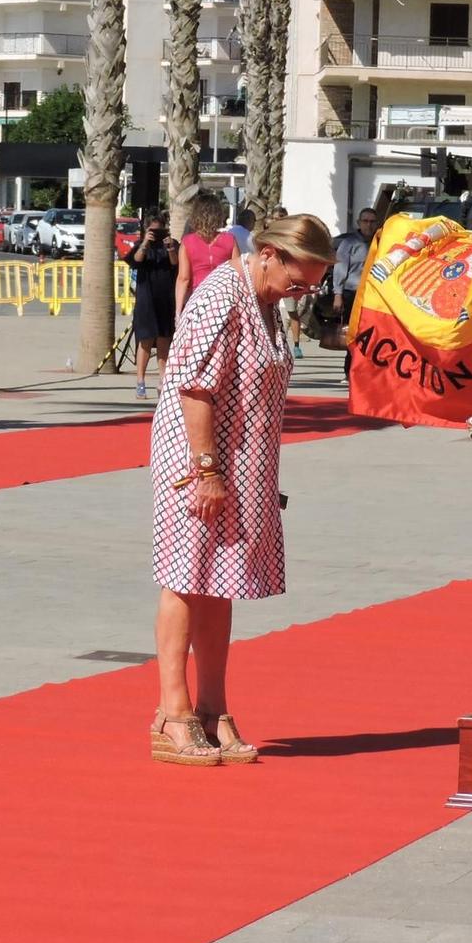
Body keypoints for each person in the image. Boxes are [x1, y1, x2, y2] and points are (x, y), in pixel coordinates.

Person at [148, 212, 334, 766]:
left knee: (221, 581)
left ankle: (212, 708)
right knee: (184, 578)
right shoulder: (221, 294)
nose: (301, 293)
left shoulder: (270, 304)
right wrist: (207, 470)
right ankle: (172, 713)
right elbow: (195, 386)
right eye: (298, 280)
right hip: (197, 458)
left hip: (243, 465)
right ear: (270, 253)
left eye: (312, 286)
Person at [128, 211, 177, 399]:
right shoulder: (140, 246)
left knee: (164, 339)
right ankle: (140, 381)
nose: (157, 234)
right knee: (146, 340)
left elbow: (176, 264)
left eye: (160, 230)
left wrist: (170, 248)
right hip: (146, 298)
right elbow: (135, 261)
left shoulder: (172, 245)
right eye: (153, 230)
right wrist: (146, 243)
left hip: (166, 298)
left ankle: (163, 380)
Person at [329, 206, 378, 378]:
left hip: (373, 296)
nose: (369, 225)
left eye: (372, 222)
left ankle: (368, 369)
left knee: (371, 335)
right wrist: (338, 294)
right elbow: (340, 269)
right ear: (358, 222)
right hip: (352, 294)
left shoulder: (379, 242)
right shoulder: (349, 243)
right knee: (352, 334)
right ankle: (349, 371)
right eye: (365, 221)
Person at [174, 191, 236, 321]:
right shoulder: (230, 240)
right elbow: (237, 274)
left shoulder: (187, 242)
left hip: (198, 300)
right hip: (224, 300)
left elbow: (183, 278)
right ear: (218, 215)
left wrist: (178, 312)